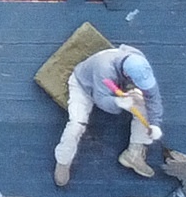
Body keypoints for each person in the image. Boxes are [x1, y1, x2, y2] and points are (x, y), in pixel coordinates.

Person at [55, 43, 161, 188]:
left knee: (144, 106)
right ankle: (63, 160)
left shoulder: (139, 63)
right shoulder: (104, 68)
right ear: (127, 74)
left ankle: (133, 154)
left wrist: (155, 124)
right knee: (76, 124)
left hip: (118, 87)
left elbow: (153, 96)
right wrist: (120, 102)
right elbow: (102, 100)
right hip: (84, 87)